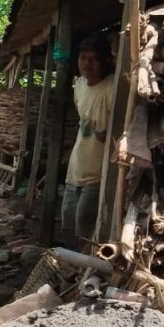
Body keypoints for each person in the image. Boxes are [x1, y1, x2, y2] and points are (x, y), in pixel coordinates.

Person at [62, 37, 114, 249]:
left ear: (105, 62)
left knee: (86, 227)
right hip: (76, 170)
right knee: (67, 223)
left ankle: (83, 273)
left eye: (93, 59)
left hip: (98, 173)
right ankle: (70, 270)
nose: (87, 64)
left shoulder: (112, 87)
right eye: (83, 58)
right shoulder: (80, 85)